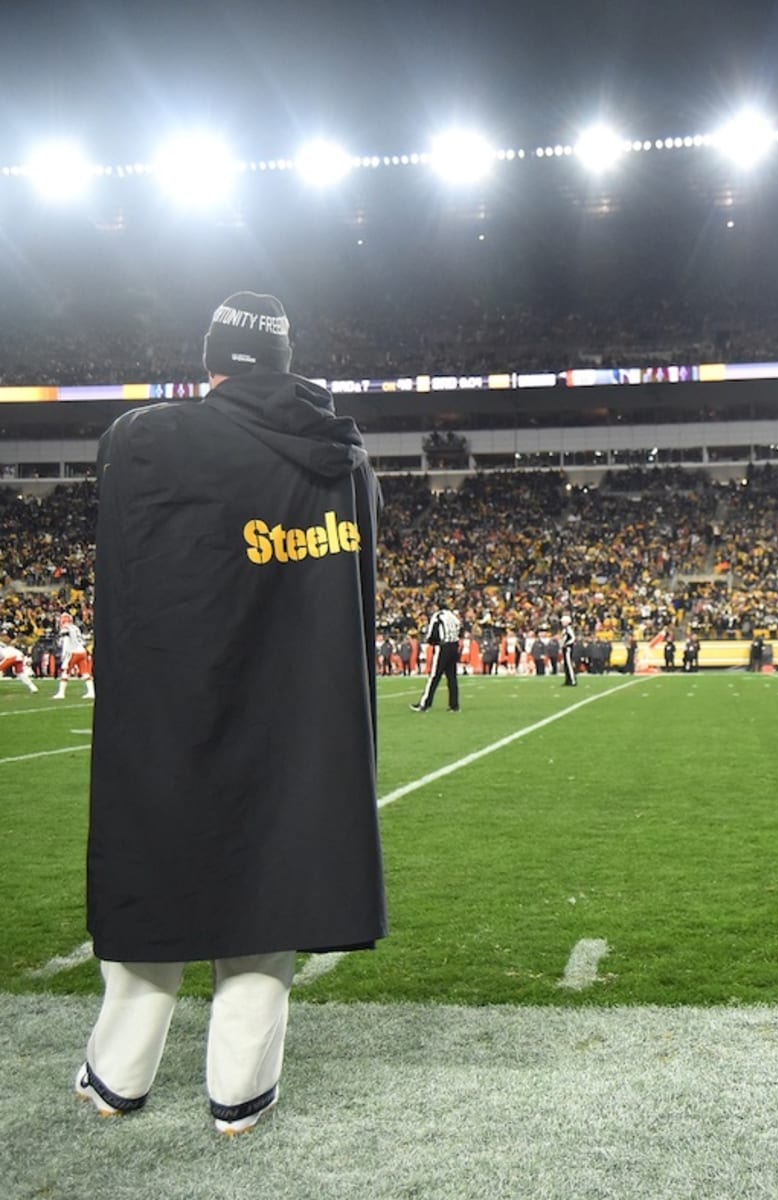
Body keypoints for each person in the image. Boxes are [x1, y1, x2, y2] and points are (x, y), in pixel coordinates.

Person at [79, 292, 386, 1135]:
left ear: (209, 359)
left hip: (176, 709)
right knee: (268, 900)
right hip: (296, 718)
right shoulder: (346, 458)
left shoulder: (149, 440)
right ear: (288, 363)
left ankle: (117, 1078)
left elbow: (121, 483)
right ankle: (237, 1096)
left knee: (153, 884)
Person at [411, 601, 462, 711]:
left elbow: (432, 633)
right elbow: (459, 629)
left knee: (434, 676)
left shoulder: (438, 616)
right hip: (454, 646)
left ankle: (425, 704)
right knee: (452, 678)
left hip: (443, 647)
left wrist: (432, 642)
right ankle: (454, 705)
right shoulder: (453, 616)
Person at [54, 612, 95, 700]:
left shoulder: (65, 628)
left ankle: (61, 693)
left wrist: (64, 655)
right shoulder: (75, 627)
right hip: (82, 651)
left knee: (65, 672)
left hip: (72, 652)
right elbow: (82, 641)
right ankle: (91, 692)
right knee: (85, 673)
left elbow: (66, 642)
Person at [561, 616, 577, 686]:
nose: (562, 623)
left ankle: (572, 680)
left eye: (563, 621)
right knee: (566, 665)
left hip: (568, 648)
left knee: (569, 664)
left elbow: (573, 638)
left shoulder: (569, 629)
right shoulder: (565, 629)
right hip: (565, 648)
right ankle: (568, 680)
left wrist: (567, 644)